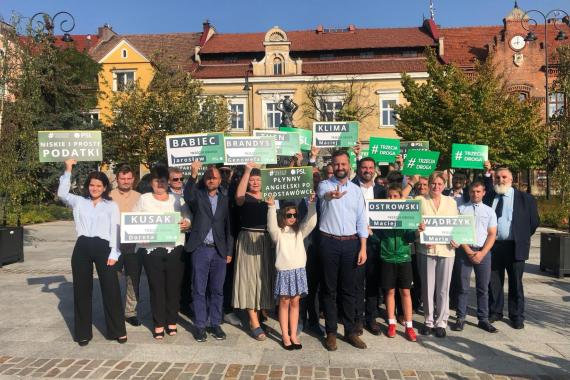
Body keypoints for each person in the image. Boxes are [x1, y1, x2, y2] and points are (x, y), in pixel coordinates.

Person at [57, 159, 127, 346]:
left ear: (104, 187)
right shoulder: (79, 201)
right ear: (88, 186)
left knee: (111, 289)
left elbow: (116, 229)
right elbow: (62, 193)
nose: (94, 188)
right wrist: (68, 168)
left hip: (104, 248)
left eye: (98, 185)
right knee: (81, 291)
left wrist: (114, 254)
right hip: (82, 247)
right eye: (92, 185)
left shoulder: (111, 205)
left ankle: (117, 330)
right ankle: (83, 333)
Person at [317, 150, 368, 351]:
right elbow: (324, 196)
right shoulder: (324, 185)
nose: (340, 167)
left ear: (349, 166)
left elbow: (362, 220)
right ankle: (330, 332)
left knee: (349, 290)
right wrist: (332, 195)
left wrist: (363, 247)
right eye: (336, 164)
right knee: (329, 290)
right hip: (328, 242)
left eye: (343, 164)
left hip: (351, 244)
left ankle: (350, 331)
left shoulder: (356, 191)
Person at [133, 165, 191, 339]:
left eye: (163, 181)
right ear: (151, 182)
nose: (160, 184)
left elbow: (188, 217)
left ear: (168, 182)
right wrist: (139, 234)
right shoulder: (144, 199)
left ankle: (171, 321)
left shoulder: (177, 199)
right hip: (152, 250)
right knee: (156, 287)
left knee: (173, 287)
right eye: (157, 180)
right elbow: (134, 221)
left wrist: (187, 223)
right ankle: (158, 323)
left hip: (175, 248)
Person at [483, 163, 539, 329]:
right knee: (494, 281)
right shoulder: (489, 196)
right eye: (498, 177)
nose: (501, 180)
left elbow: (534, 222)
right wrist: (486, 174)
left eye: (504, 177)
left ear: (511, 179)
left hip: (515, 247)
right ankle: (495, 311)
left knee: (516, 282)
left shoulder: (525, 198)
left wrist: (520, 236)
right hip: (493, 246)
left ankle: (516, 315)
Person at [184, 160, 233, 342]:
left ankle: (215, 323)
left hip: (219, 251)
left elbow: (229, 227)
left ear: (220, 180)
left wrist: (228, 250)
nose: (212, 180)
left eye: (215, 178)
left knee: (217, 290)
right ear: (205, 180)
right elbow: (187, 195)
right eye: (209, 177)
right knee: (198, 289)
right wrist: (193, 173)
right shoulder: (198, 195)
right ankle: (200, 325)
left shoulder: (224, 200)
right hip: (201, 249)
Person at [267, 195, 317, 350]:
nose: (293, 218)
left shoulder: (299, 231)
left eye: (295, 215)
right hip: (284, 272)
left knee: (295, 303)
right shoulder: (279, 233)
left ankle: (293, 334)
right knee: (284, 303)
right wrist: (270, 207)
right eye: (289, 215)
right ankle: (285, 335)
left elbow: (311, 222)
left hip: (298, 271)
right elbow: (271, 227)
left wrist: (312, 205)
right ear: (283, 215)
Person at [233, 162, 276, 341]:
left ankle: (260, 313)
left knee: (263, 278)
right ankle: (253, 321)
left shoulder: (270, 196)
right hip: (248, 239)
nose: (256, 183)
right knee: (249, 279)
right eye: (252, 180)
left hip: (265, 240)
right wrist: (248, 170)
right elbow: (239, 197)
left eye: (258, 179)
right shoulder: (245, 196)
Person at [416, 171, 459, 338]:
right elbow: (414, 224)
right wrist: (420, 234)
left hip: (447, 250)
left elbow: (456, 226)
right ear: (429, 184)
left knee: (443, 288)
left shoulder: (451, 202)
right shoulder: (420, 200)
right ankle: (428, 321)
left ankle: (441, 322)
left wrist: (458, 239)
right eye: (434, 183)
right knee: (427, 287)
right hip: (426, 249)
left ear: (444, 185)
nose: (436, 187)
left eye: (440, 184)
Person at [452, 181, 498, 333]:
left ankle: (483, 319)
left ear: (484, 192)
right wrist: (468, 251)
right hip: (464, 251)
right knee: (462, 286)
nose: (475, 194)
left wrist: (482, 253)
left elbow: (492, 234)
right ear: (469, 192)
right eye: (473, 191)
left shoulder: (490, 211)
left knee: (483, 287)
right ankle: (460, 317)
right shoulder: (460, 209)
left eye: (478, 191)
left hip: (483, 252)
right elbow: (457, 232)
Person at [376, 184, 418, 342]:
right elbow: (377, 235)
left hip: (403, 257)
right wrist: (372, 233)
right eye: (390, 196)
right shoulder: (382, 214)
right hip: (387, 257)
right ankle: (392, 322)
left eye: (395, 196)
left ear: (401, 198)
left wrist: (416, 232)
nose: (392, 199)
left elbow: (408, 237)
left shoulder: (407, 215)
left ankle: (409, 325)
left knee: (406, 292)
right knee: (389, 291)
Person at [351, 156, 385, 335]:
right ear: (358, 169)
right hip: (355, 242)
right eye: (364, 167)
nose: (368, 170)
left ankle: (371, 318)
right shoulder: (350, 187)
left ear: (375, 170)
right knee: (356, 283)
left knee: (373, 282)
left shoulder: (381, 190)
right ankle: (358, 319)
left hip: (375, 243)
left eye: (371, 168)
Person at [109, 165, 142, 327]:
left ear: (133, 179)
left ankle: (130, 312)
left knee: (133, 279)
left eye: (129, 178)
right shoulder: (108, 196)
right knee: (112, 280)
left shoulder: (140, 197)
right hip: (113, 243)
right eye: (123, 178)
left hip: (134, 244)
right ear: (117, 179)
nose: (126, 181)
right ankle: (113, 310)